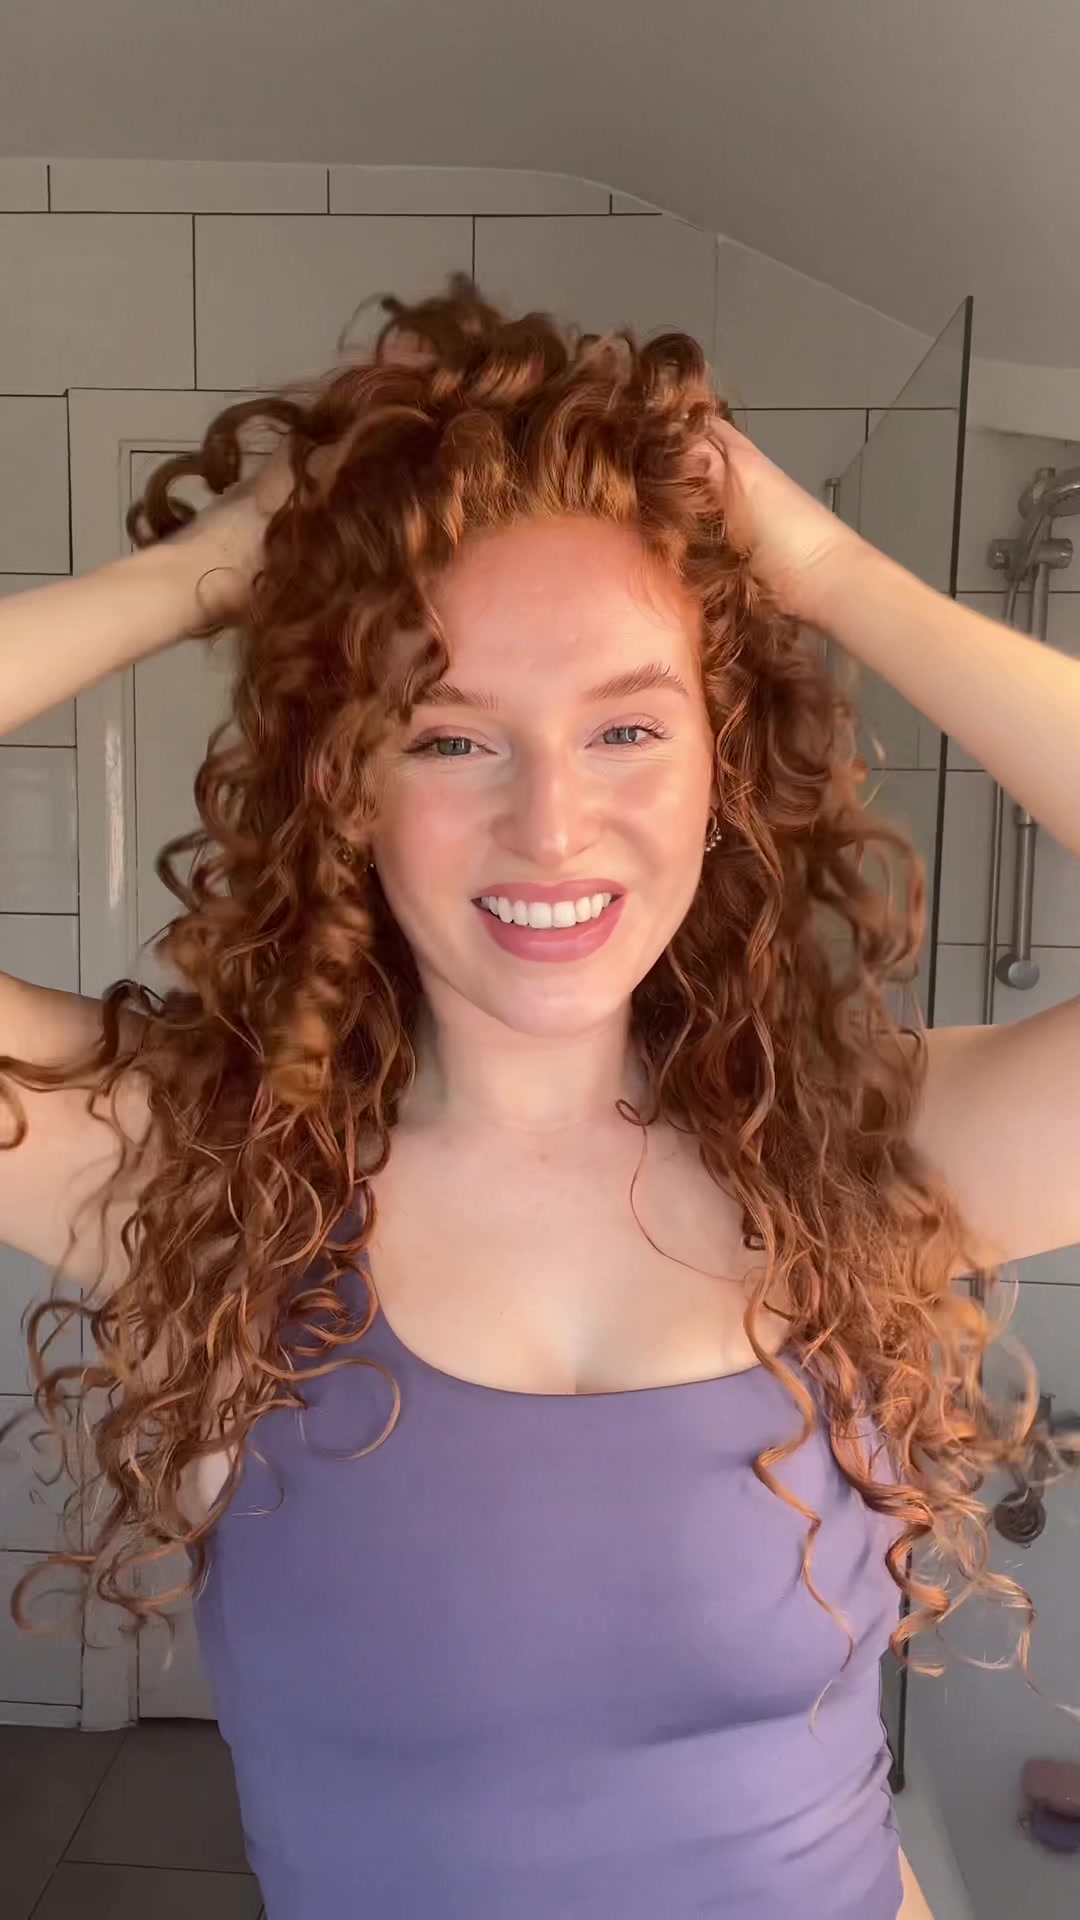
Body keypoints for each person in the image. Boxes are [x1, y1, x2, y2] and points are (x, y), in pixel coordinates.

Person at [0, 277, 1077, 1920]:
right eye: (449, 740)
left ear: (723, 763)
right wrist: (213, 569)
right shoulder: (198, 1178)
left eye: (628, 725)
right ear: (344, 779)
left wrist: (830, 577)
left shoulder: (864, 1158)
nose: (552, 824)